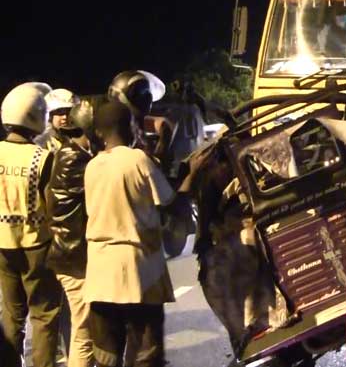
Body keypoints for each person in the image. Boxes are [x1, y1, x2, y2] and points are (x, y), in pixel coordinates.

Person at [83, 101, 207, 367]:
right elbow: (173, 205)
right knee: (146, 356)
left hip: (100, 274)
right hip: (139, 272)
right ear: (129, 127)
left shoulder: (92, 166)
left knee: (106, 356)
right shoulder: (137, 159)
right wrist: (194, 173)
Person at [0, 83, 62, 367]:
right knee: (44, 314)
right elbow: (51, 207)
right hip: (36, 245)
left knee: (12, 315)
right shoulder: (42, 156)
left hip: (2, 245)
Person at [46, 100, 100, 367]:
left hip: (69, 254)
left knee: (84, 330)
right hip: (73, 257)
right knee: (84, 334)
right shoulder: (74, 159)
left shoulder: (73, 154)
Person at [35, 88, 80, 153]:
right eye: (60, 112)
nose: (64, 117)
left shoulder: (80, 138)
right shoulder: (42, 142)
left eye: (68, 112)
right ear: (50, 115)